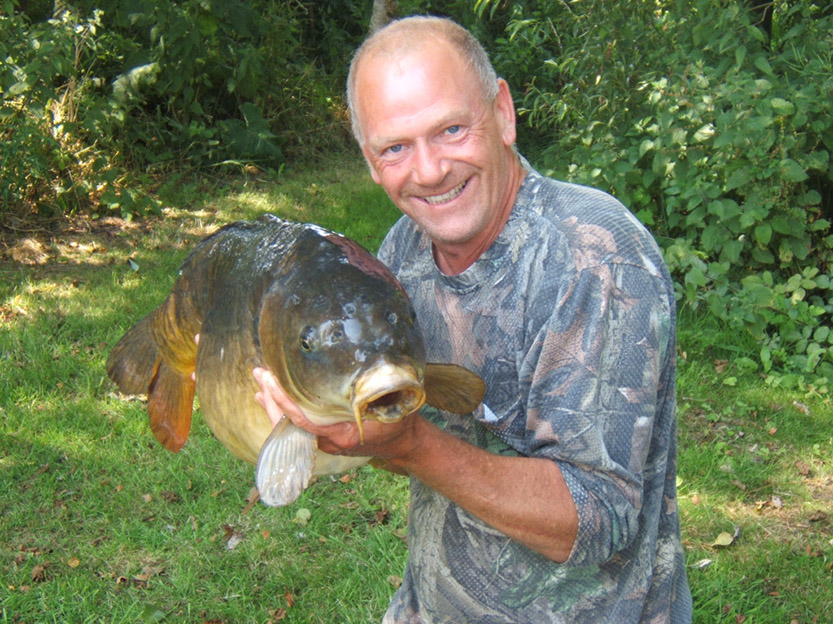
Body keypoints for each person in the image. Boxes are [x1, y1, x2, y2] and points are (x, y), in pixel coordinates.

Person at [253, 15, 692, 623]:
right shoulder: (403, 250)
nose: (430, 170)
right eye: (396, 147)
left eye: (452, 129)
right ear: (369, 160)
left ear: (503, 114)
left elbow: (598, 519)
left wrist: (410, 445)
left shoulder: (596, 258)